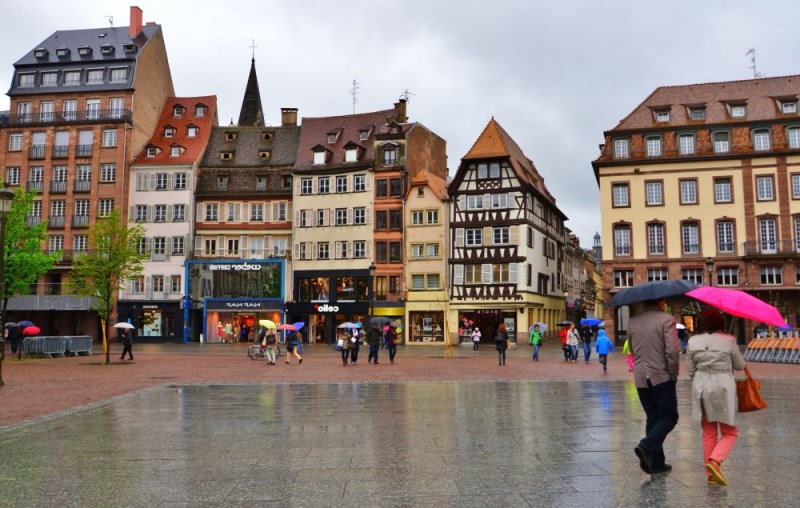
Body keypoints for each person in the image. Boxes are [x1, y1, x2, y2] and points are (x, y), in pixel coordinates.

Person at [686, 309, 745, 486]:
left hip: (701, 386)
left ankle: (710, 475)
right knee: (731, 431)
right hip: (723, 387)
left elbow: (690, 370)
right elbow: (739, 365)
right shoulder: (728, 340)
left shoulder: (692, 341)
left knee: (708, 433)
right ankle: (715, 461)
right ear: (720, 323)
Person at [628, 298, 680, 476]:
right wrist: (672, 374)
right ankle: (647, 446)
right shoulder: (666, 319)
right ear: (660, 302)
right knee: (669, 416)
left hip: (641, 377)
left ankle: (657, 463)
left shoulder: (633, 321)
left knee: (653, 417)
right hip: (660, 376)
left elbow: (633, 349)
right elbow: (672, 351)